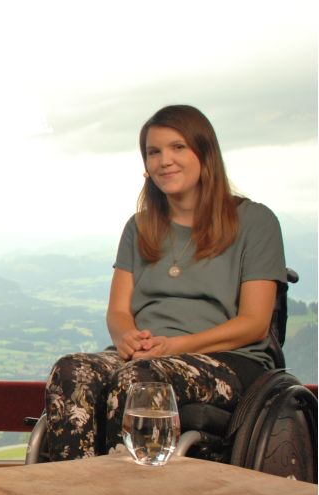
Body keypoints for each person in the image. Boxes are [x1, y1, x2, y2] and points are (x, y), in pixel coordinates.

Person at [44, 105, 286, 461]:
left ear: (204, 153)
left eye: (177, 147)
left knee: (139, 380)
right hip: (149, 354)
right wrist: (126, 338)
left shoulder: (255, 221)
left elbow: (255, 322)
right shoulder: (139, 226)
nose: (164, 160)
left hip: (227, 360)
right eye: (153, 152)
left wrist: (177, 346)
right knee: (72, 370)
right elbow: (118, 311)